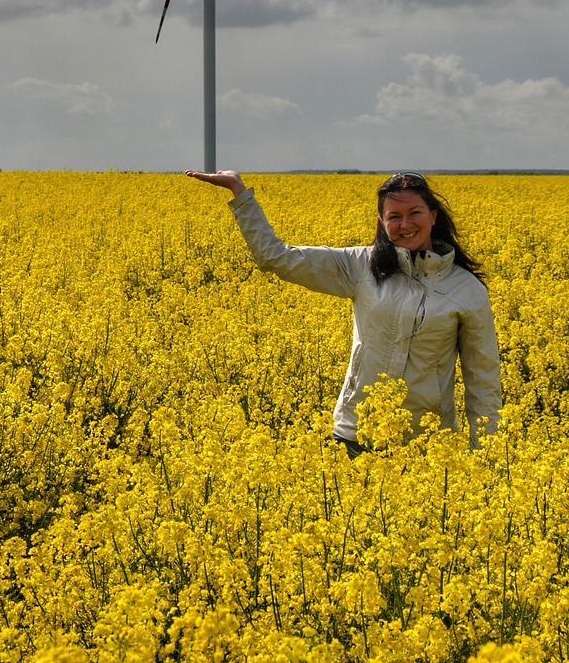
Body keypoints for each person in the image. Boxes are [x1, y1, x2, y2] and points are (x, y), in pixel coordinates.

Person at [186, 169, 502, 456]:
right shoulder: (360, 265)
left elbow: (482, 381)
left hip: (425, 444)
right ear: (382, 222)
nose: (405, 225)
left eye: (415, 213)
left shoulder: (467, 290)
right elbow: (276, 258)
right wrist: (240, 193)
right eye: (394, 217)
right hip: (354, 437)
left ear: (433, 216)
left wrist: (483, 457)